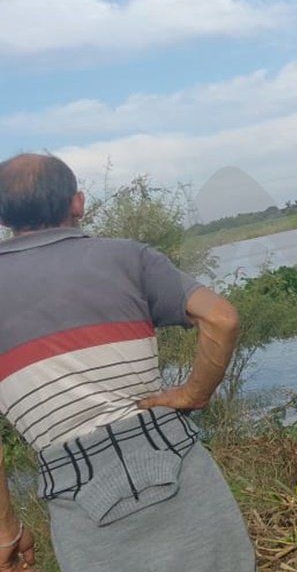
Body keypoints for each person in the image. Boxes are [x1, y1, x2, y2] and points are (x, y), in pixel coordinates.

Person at [0, 153, 255, 570]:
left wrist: (6, 531)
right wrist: (193, 394)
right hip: (168, 448)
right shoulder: (128, 256)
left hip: (73, 483)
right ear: (78, 203)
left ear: (3, 217)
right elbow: (221, 319)